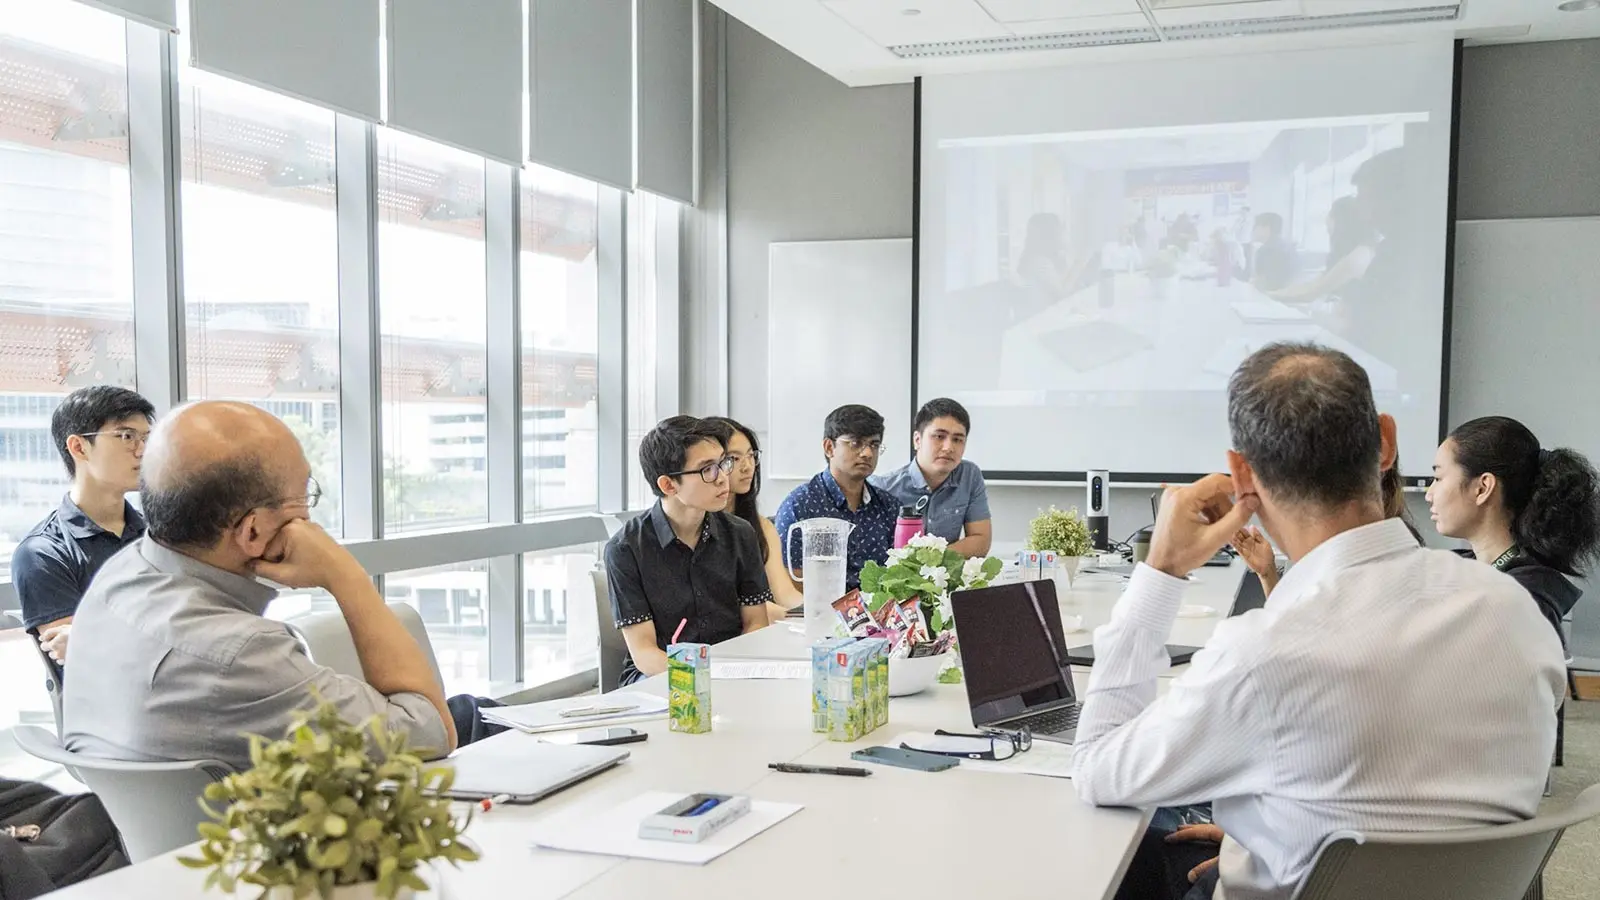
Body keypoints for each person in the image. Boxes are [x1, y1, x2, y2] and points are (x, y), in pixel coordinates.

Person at [1076, 342, 1565, 900]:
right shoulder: (1517, 615)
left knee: (1139, 843)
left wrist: (1160, 571)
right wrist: (1264, 829)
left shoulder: (1261, 656)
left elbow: (1096, 768)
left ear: (1240, 473)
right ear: (1386, 441)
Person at [61, 402, 458, 769]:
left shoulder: (116, 578)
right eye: (304, 494)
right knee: (469, 720)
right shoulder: (241, 655)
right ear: (252, 531)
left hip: (151, 839)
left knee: (474, 710)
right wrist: (346, 576)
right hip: (260, 840)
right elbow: (431, 730)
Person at [603, 416, 771, 686]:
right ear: (668, 485)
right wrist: (704, 678)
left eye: (723, 463)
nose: (723, 478)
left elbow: (755, 624)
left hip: (730, 669)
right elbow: (645, 654)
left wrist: (736, 672)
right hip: (659, 675)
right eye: (708, 469)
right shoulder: (626, 549)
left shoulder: (740, 533)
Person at [13, 386, 155, 677]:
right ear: (78, 447)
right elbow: (87, 670)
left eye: (146, 438)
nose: (142, 451)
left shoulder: (158, 534)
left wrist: (95, 637)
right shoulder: (43, 552)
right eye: (126, 436)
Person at [1426, 415, 1600, 638]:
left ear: (1482, 488)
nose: (1429, 494)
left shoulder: (1522, 601)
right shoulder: (1459, 568)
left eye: (1438, 478)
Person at [1233, 451, 1420, 595]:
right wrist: (1268, 574)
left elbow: (1297, 634)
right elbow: (1291, 627)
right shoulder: (1320, 546)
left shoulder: (1394, 554)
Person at [773, 405, 897, 592]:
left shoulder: (889, 506)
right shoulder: (799, 505)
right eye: (856, 443)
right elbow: (790, 579)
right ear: (829, 447)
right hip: (818, 612)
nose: (867, 453)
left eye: (874, 445)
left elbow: (898, 575)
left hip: (879, 614)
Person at [703, 417, 804, 622]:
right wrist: (800, 616)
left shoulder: (762, 526)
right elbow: (738, 603)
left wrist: (813, 610)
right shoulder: (700, 528)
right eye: (735, 458)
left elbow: (785, 593)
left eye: (751, 456)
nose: (748, 466)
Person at [871, 398, 992, 558]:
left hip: (945, 577)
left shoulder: (969, 475)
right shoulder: (883, 487)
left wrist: (933, 560)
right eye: (939, 436)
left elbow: (981, 540)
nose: (948, 447)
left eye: (957, 440)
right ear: (917, 440)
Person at [1267, 197, 1378, 303]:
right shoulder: (1354, 252)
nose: (1329, 232)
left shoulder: (1357, 257)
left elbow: (1311, 293)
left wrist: (1270, 295)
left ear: (1343, 222)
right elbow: (1312, 285)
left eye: (1331, 215)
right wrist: (1274, 293)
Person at [1248, 212, 1297, 292]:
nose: (1253, 231)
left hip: (1273, 298)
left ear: (1266, 228)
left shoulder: (1266, 251)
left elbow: (1266, 284)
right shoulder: (1288, 247)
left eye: (1255, 227)